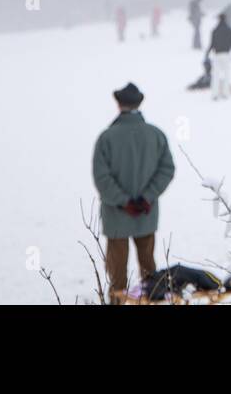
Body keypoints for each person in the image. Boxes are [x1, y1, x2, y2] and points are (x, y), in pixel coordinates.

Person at [91, 82, 175, 303]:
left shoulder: (107, 138)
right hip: (146, 214)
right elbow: (167, 170)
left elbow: (101, 177)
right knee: (150, 272)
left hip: (116, 215)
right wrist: (147, 197)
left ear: (118, 104)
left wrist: (123, 201)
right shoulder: (156, 135)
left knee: (117, 277)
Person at [205, 12, 231, 100]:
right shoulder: (229, 30)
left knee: (216, 75)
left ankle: (215, 94)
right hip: (226, 54)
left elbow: (211, 44)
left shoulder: (215, 30)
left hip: (217, 54)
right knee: (227, 74)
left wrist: (207, 53)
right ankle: (225, 93)